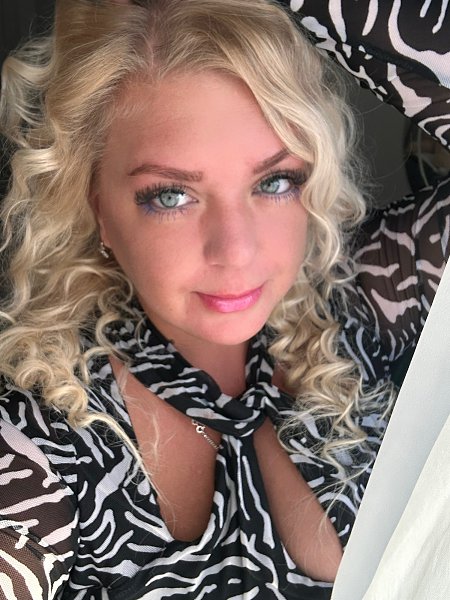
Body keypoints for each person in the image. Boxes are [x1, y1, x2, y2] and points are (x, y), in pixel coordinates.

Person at [0, 0, 448, 598]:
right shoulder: (40, 439)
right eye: (171, 195)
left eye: (274, 181)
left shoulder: (368, 293)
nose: (236, 251)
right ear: (96, 203)